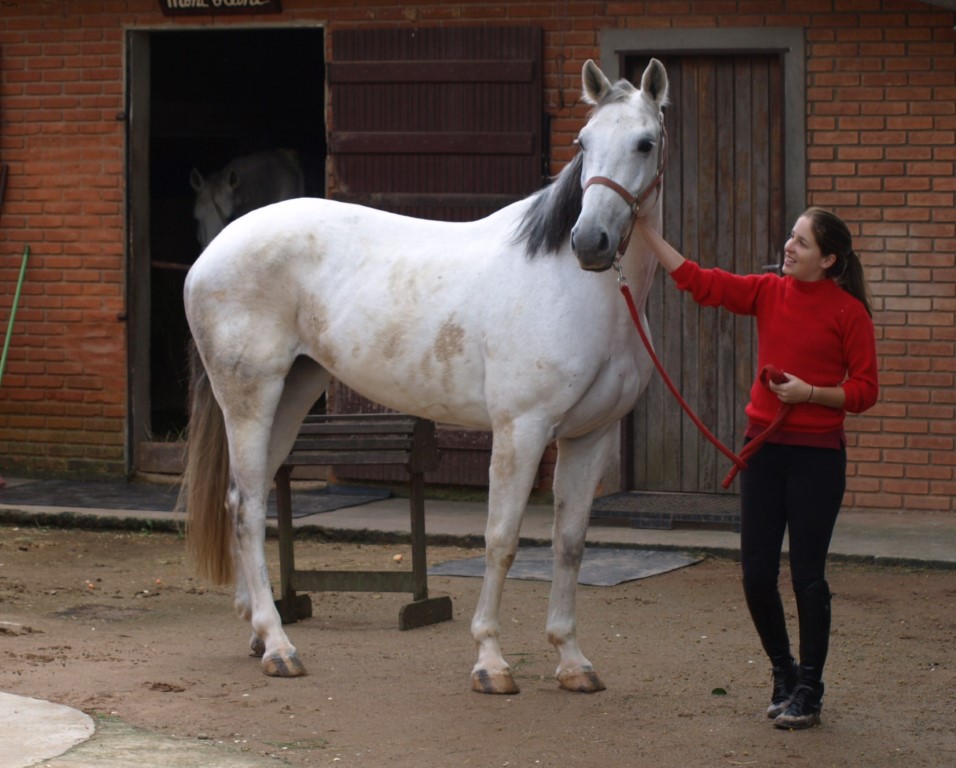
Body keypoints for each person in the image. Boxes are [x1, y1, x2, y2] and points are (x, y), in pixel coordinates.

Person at [636, 207, 879, 729]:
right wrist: (646, 234)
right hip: (762, 453)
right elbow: (701, 283)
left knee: (808, 577)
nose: (788, 247)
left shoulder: (849, 313)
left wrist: (809, 393)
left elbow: (865, 391)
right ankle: (783, 673)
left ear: (829, 259)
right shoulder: (769, 291)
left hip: (817, 459)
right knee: (755, 574)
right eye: (791, 237)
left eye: (802, 242)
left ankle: (811, 688)